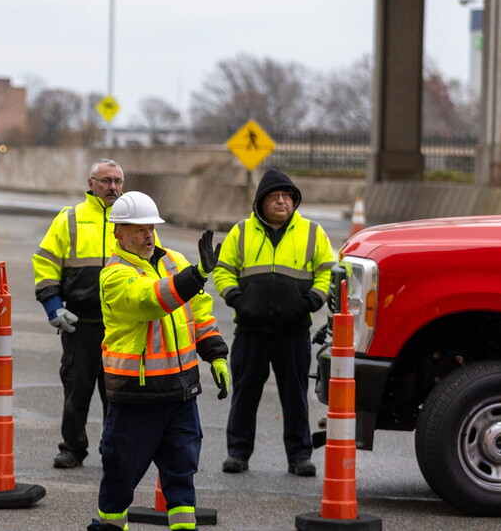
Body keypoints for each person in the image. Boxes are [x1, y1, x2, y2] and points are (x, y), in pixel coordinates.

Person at [89, 191, 229, 531]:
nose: (147, 235)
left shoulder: (174, 262)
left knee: (182, 474)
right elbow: (152, 299)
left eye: (150, 228)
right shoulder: (115, 275)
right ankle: (109, 526)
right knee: (121, 474)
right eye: (138, 230)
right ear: (117, 233)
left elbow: (199, 312)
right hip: (136, 396)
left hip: (180, 393)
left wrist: (216, 354)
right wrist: (196, 276)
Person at [213, 169, 335, 477]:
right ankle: (238, 454)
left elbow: (327, 273)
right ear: (260, 203)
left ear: (294, 202)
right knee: (245, 394)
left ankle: (299, 456)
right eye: (274, 197)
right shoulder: (240, 232)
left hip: (293, 332)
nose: (282, 201)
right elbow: (223, 271)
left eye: (287, 197)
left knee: (295, 397)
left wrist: (313, 302)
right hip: (250, 331)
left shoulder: (312, 232)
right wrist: (237, 300)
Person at [32, 159, 124, 469]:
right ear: (91, 183)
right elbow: (45, 263)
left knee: (119, 394)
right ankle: (72, 448)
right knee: (76, 389)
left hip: (120, 325)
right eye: (105, 180)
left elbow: (154, 265)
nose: (112, 186)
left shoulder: (132, 219)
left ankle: (114, 450)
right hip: (80, 324)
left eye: (117, 181)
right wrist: (52, 305)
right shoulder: (70, 219)